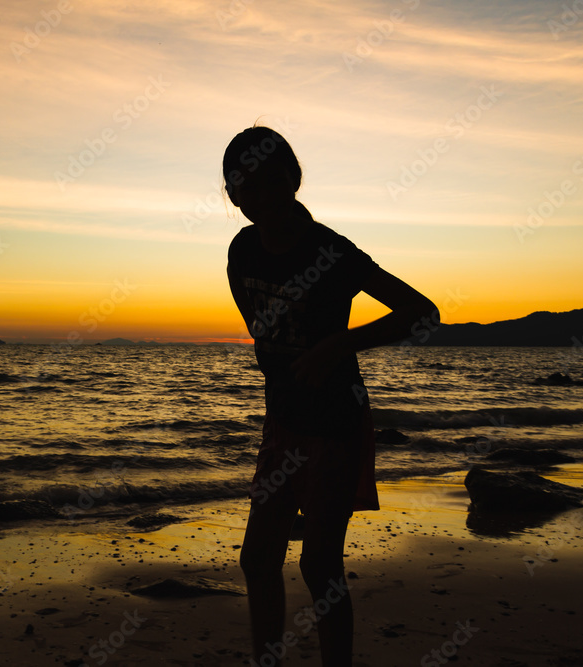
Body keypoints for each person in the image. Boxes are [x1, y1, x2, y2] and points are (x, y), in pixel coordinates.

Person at [224, 126, 439, 666]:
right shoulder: (242, 249)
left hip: (338, 425)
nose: (253, 195)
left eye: (265, 181)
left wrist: (342, 342)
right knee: (257, 560)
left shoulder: (331, 252)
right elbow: (263, 333)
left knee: (320, 566)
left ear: (293, 181)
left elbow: (422, 312)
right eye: (239, 184)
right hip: (283, 426)